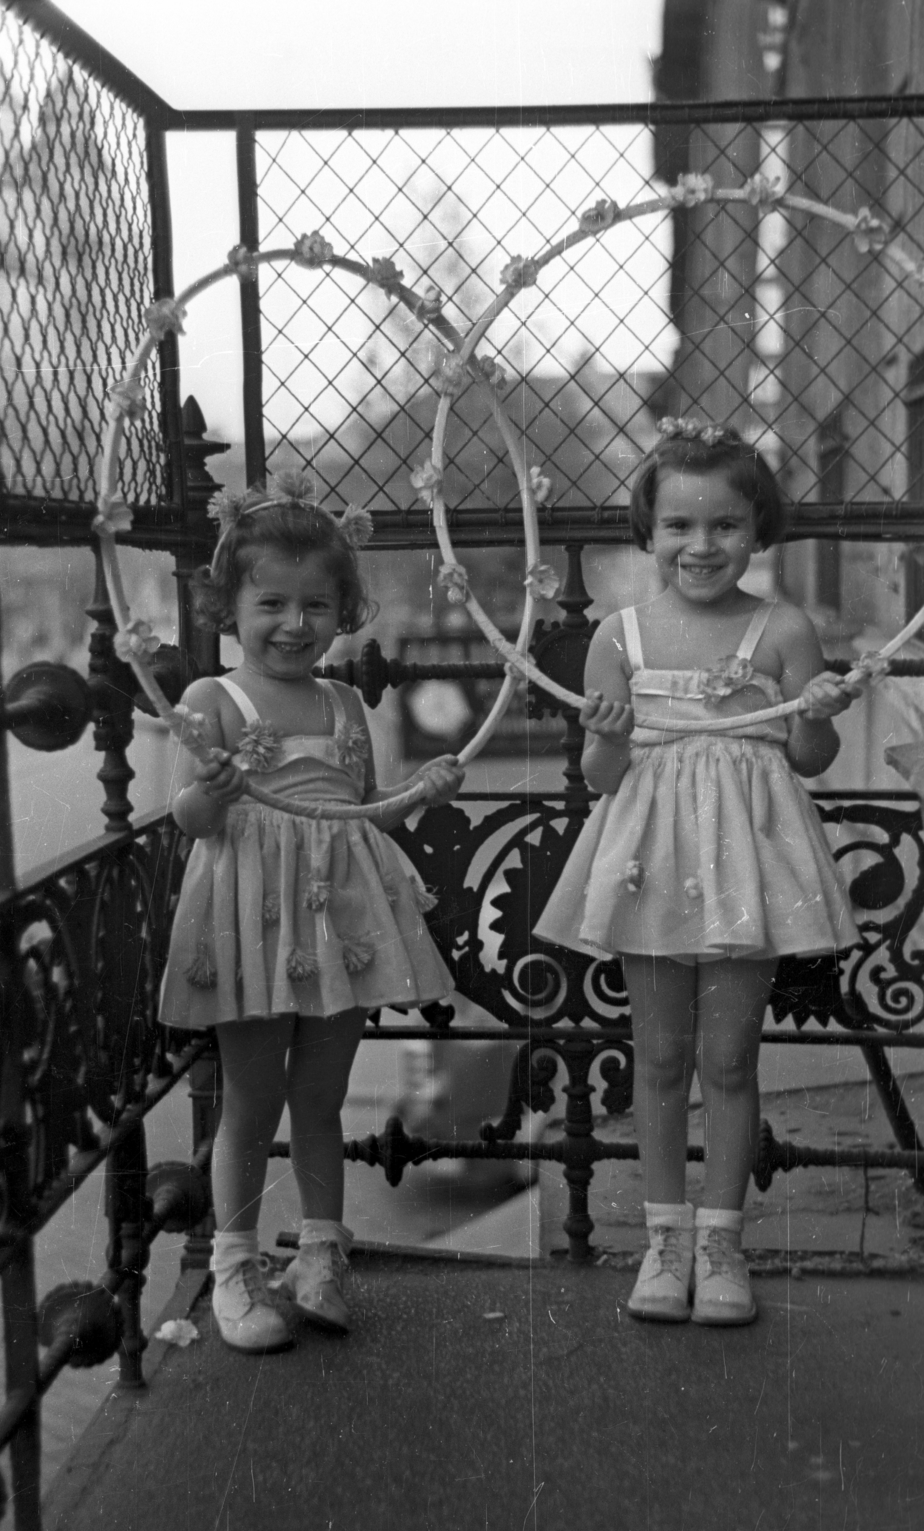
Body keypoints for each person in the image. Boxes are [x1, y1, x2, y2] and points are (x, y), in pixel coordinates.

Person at [535, 419, 860, 1327]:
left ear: (757, 531)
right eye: (679, 526)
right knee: (663, 1054)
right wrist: (604, 731)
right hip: (653, 859)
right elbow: (602, 779)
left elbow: (808, 755)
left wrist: (821, 709)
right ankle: (663, 1240)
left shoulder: (782, 628)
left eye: (723, 526)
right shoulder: (620, 638)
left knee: (727, 1056)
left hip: (748, 862)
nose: (701, 545)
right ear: (648, 533)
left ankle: (723, 1240)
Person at [159, 473, 462, 1352]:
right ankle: (234, 1264)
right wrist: (208, 795)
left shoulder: (343, 702)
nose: (296, 624)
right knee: (251, 1099)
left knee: (321, 1097)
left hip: (336, 918)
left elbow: (361, 809)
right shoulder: (212, 702)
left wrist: (423, 790)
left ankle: (322, 1257)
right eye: (273, 604)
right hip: (250, 916)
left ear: (342, 612)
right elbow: (189, 821)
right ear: (231, 607)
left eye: (317, 605)